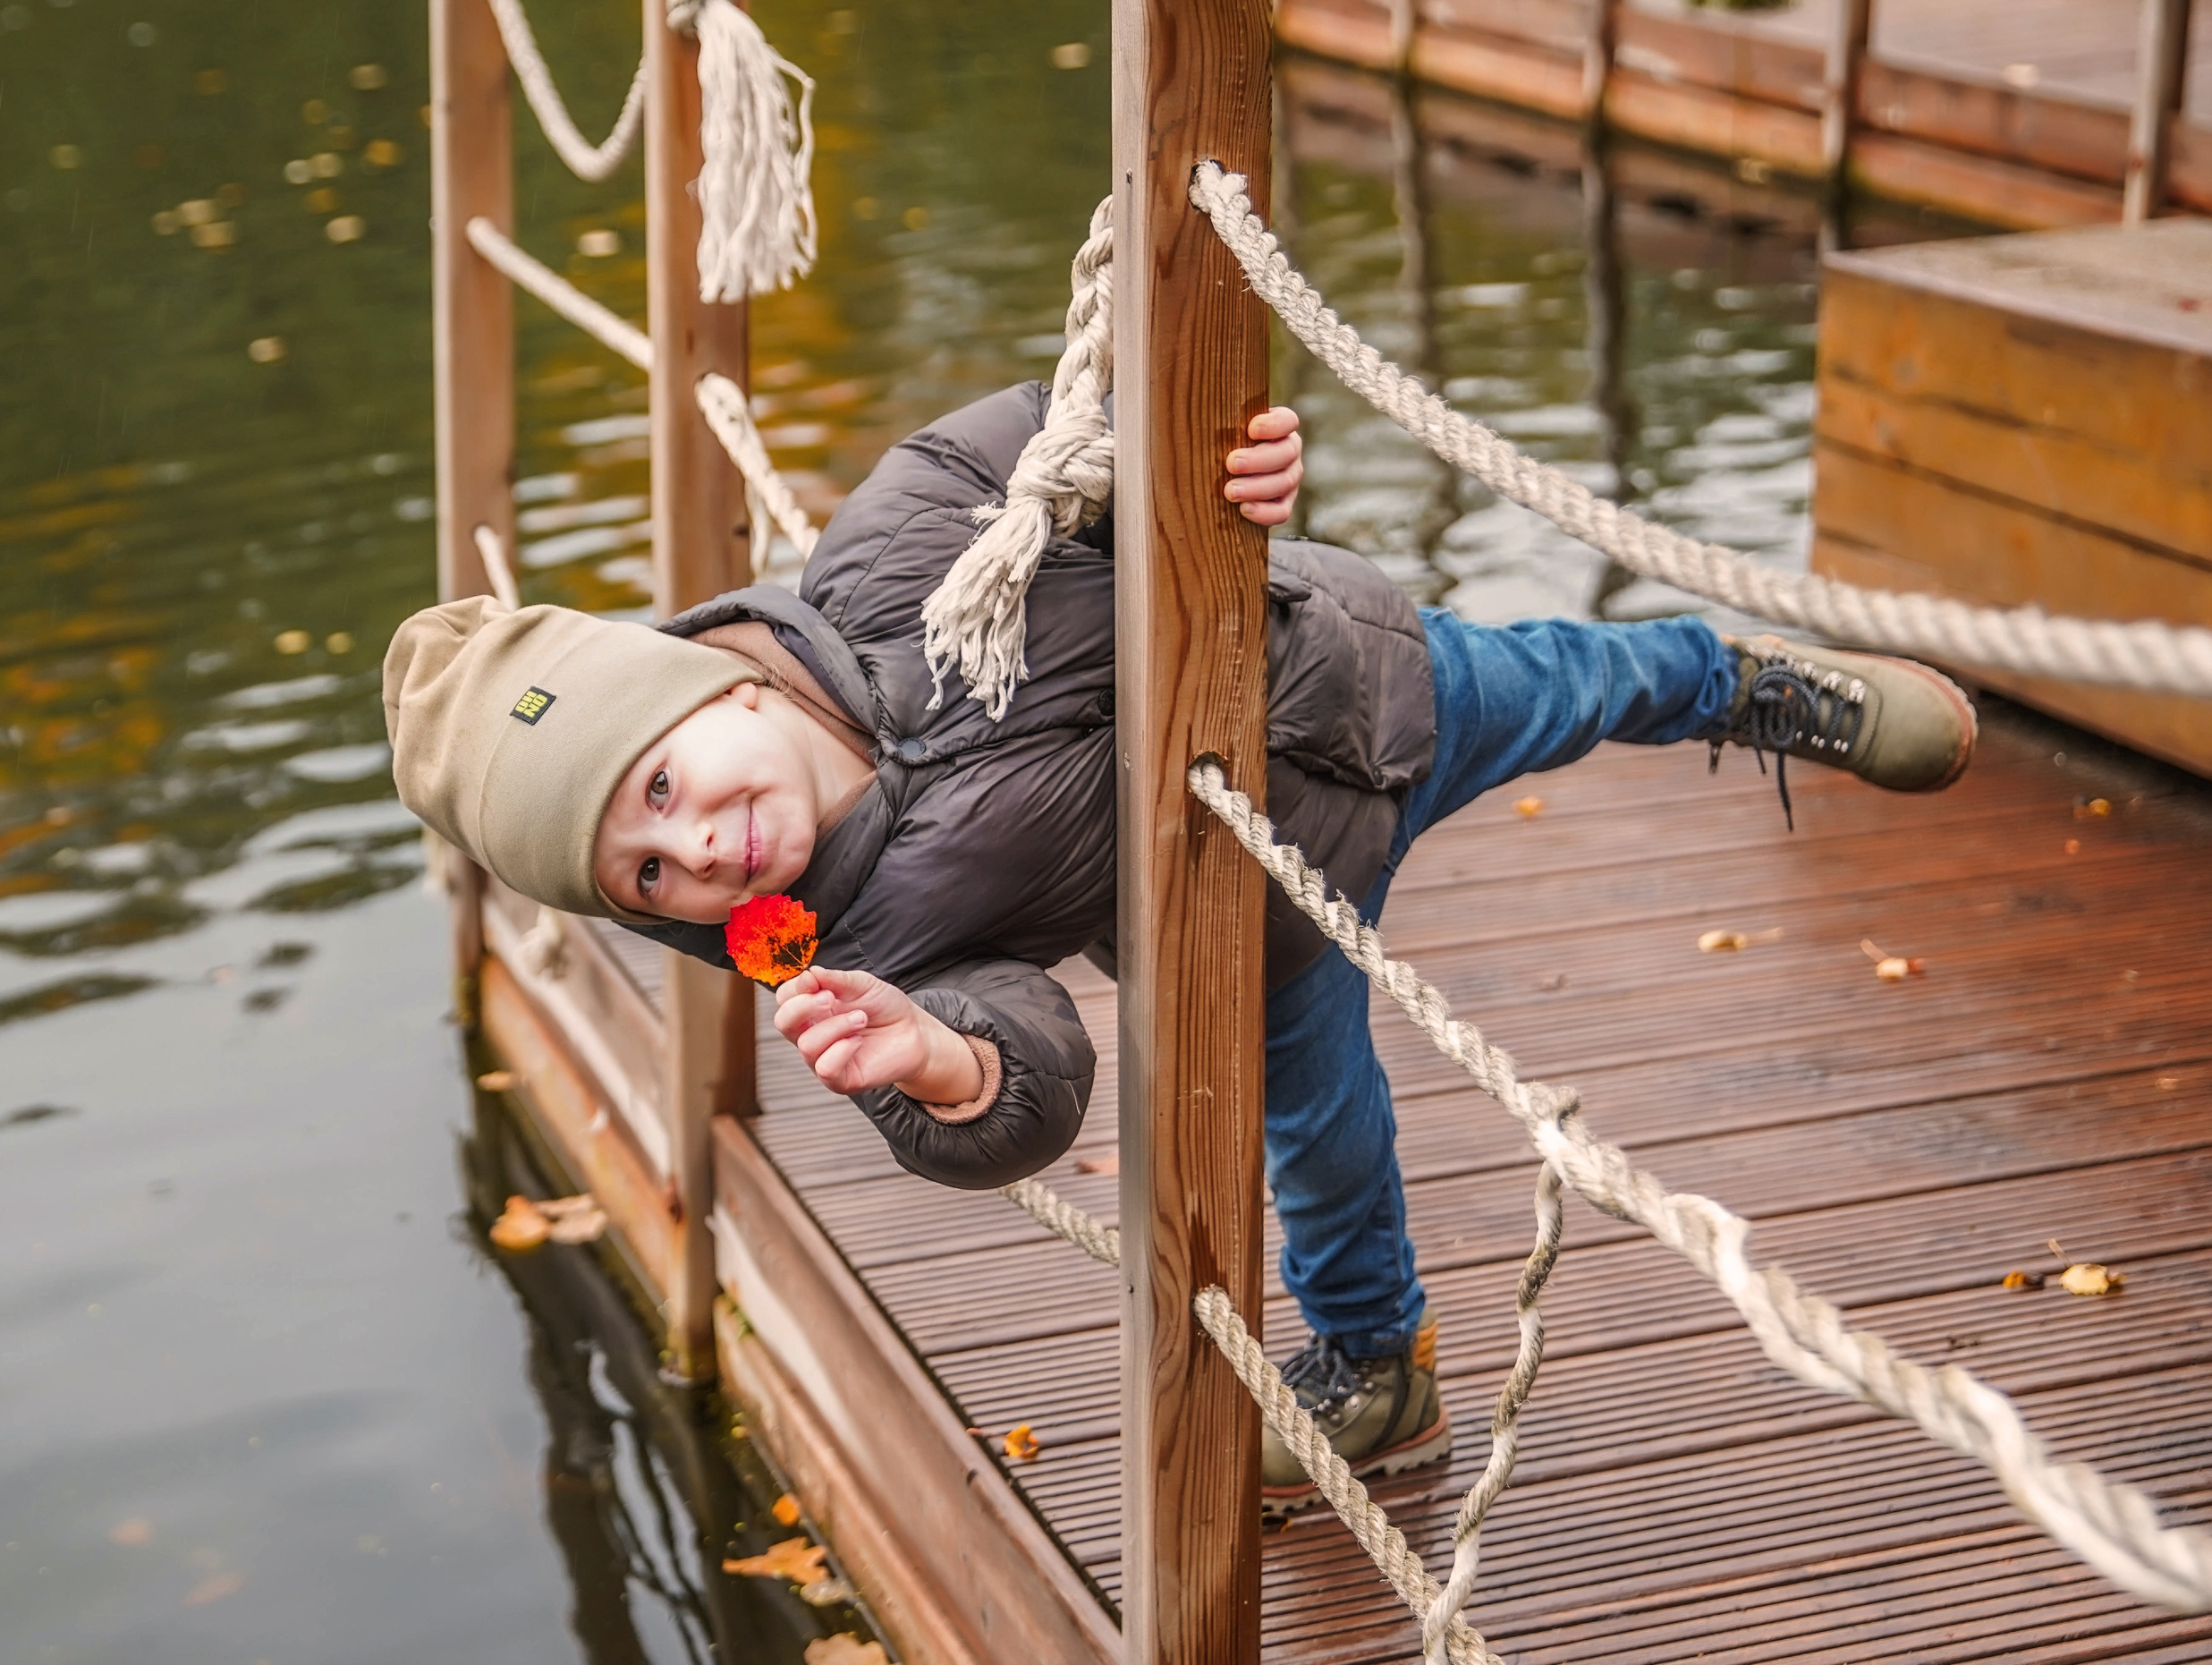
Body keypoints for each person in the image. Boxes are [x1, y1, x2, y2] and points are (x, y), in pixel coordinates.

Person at [386, 384, 1974, 1505]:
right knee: (1322, 1141)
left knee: (1580, 680)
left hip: (1365, 683)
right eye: (646, 874)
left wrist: (1222, 449)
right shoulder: (842, 943)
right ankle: (1381, 1373)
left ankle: (1747, 683)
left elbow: (1075, 412)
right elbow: (1032, 1069)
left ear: (713, 684)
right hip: (1245, 914)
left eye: (664, 788)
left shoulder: (891, 544)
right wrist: (937, 1065)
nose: (697, 851)